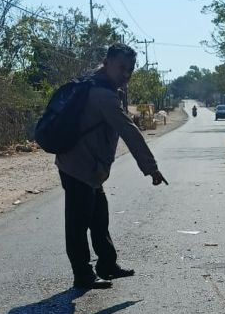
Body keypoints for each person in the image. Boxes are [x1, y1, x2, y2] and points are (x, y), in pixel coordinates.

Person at [55, 43, 167, 290]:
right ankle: (82, 275)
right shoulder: (103, 95)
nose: (125, 74)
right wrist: (151, 168)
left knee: (99, 216)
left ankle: (107, 264)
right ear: (106, 64)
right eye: (121, 68)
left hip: (90, 169)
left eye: (130, 69)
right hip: (78, 166)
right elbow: (130, 132)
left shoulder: (98, 86)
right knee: (78, 223)